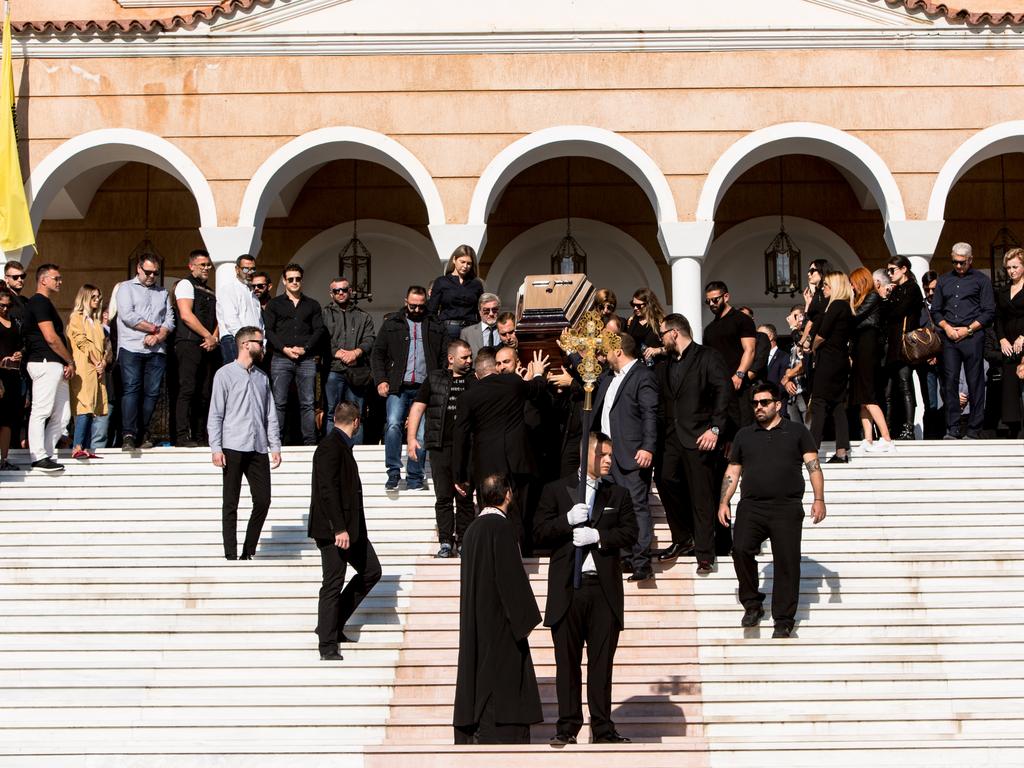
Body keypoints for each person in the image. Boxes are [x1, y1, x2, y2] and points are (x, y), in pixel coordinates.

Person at [533, 432, 637, 746]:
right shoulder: (555, 491)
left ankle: (603, 727)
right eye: (603, 454)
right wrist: (566, 521)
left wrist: (599, 537)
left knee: (602, 662)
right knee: (567, 663)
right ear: (586, 454)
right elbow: (538, 532)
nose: (609, 460)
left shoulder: (617, 495)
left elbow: (631, 532)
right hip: (568, 589)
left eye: (610, 454)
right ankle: (567, 726)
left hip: (603, 590)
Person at [718, 382, 827, 639]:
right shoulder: (744, 435)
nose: (758, 407)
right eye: (755, 403)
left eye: (764, 402)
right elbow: (733, 471)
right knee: (741, 549)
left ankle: (783, 619)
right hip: (752, 506)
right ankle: (752, 604)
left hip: (786, 507)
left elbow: (814, 466)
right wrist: (724, 501)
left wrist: (819, 499)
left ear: (778, 404)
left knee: (787, 562)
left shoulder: (798, 432)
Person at [453, 473, 543, 745]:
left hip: (478, 620)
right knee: (501, 682)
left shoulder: (471, 531)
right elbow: (510, 580)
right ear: (507, 495)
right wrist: (525, 617)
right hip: (500, 625)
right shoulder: (501, 528)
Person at [654, 313, 732, 573]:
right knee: (665, 480)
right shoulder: (664, 362)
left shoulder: (708, 356)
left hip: (700, 436)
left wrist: (715, 428)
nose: (660, 339)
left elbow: (724, 392)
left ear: (674, 332)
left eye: (662, 334)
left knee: (702, 495)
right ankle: (682, 537)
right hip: (671, 438)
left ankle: (705, 554)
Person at [453, 347, 549, 548]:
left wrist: (460, 475)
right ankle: (519, 556)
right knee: (518, 514)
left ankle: (495, 555)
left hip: (487, 467)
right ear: (495, 369)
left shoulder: (468, 397)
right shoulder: (513, 382)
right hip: (517, 461)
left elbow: (460, 437)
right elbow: (537, 389)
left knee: (490, 515)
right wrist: (538, 372)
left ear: (477, 375)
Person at [309, 401, 381, 660]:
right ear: (357, 422)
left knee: (372, 571)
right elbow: (327, 491)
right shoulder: (331, 446)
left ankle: (333, 623)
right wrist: (338, 528)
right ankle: (327, 643)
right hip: (334, 532)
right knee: (332, 583)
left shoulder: (341, 446)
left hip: (352, 530)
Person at [208, 325, 281, 561]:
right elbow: (216, 414)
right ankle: (230, 553)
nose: (263, 347)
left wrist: (275, 446)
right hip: (232, 445)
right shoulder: (224, 374)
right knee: (231, 501)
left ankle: (248, 550)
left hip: (258, 446)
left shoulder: (262, 377)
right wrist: (216, 447)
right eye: (259, 342)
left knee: (263, 500)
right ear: (245, 344)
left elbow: (270, 414)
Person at [591, 333, 657, 581]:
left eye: (606, 349)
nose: (603, 354)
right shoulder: (608, 378)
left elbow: (650, 414)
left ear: (617, 351)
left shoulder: (643, 376)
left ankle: (642, 562)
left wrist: (648, 447)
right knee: (613, 509)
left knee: (637, 506)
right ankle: (624, 557)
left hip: (632, 454)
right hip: (606, 456)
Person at [371, 285, 446, 491]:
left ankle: (414, 477)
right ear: (406, 302)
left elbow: (442, 357)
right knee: (394, 424)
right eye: (412, 306)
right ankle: (393, 473)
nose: (416, 310)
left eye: (421, 306)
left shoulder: (435, 324)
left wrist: (439, 383)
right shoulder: (392, 323)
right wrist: (381, 380)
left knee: (421, 434)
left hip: (425, 387)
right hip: (398, 386)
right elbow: (378, 353)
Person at [407, 339, 477, 558]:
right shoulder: (435, 378)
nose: (469, 361)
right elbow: (418, 407)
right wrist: (411, 439)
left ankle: (464, 540)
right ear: (451, 358)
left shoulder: (474, 379)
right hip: (439, 446)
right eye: (464, 357)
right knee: (444, 497)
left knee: (464, 496)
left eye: (470, 357)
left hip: (466, 448)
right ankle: (446, 541)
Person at [932, 242, 996, 440]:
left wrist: (968, 329)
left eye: (961, 262)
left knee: (975, 381)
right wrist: (948, 328)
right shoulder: (943, 281)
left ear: (970, 260)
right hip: (950, 337)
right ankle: (952, 428)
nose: (958, 266)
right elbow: (936, 310)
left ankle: (974, 429)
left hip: (972, 336)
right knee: (949, 381)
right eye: (954, 262)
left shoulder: (981, 280)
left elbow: (989, 311)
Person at [115, 255, 175, 451]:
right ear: (138, 269)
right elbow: (128, 316)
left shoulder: (163, 292)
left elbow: (170, 321)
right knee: (132, 389)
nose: (151, 276)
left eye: (155, 273)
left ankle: (143, 432)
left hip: (156, 350)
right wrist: (153, 330)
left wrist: (158, 337)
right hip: (131, 347)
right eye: (148, 272)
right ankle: (128, 435)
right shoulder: (125, 288)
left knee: (152, 393)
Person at [264, 263, 325, 446]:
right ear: (284, 281)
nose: (294, 282)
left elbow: (319, 330)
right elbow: (269, 330)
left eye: (297, 279)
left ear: (302, 280)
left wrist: (305, 348)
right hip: (281, 358)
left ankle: (310, 443)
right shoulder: (274, 304)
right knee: (279, 403)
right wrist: (284, 349)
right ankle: (276, 442)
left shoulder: (312, 304)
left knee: (307, 403)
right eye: (290, 279)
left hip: (305, 359)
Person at [23, 264, 73, 473]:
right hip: (44, 362)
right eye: (56, 278)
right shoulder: (39, 302)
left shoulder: (45, 303)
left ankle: (48, 453)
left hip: (56, 364)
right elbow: (51, 338)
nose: (60, 281)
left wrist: (65, 363)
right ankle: (38, 456)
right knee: (41, 410)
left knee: (63, 416)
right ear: (43, 280)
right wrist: (70, 360)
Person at [173, 248, 219, 447]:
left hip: (208, 345)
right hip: (189, 342)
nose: (207, 268)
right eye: (203, 265)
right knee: (188, 389)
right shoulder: (185, 284)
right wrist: (207, 335)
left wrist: (214, 338)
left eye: (208, 265)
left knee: (204, 392)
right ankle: (182, 436)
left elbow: (218, 318)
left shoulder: (210, 290)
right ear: (191, 266)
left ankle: (200, 437)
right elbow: (186, 314)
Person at [322, 276, 375, 445]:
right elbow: (320, 338)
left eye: (344, 290)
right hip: (333, 369)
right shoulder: (324, 314)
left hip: (356, 370)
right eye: (336, 291)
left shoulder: (363, 316)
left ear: (350, 291)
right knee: (332, 412)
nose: (340, 293)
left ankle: (356, 452)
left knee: (355, 412)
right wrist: (336, 352)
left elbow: (370, 339)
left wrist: (356, 352)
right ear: (331, 294)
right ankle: (333, 448)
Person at [808, 271, 854, 463]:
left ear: (834, 287)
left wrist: (812, 347)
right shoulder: (846, 307)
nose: (823, 289)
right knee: (837, 406)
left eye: (826, 285)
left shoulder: (836, 305)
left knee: (818, 403)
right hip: (841, 360)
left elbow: (821, 334)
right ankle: (842, 452)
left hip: (828, 360)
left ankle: (811, 451)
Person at [848, 267, 893, 454]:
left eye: (853, 283)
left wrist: (849, 300)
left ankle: (886, 437)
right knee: (861, 398)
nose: (851, 287)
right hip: (860, 350)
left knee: (869, 395)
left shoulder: (872, 297)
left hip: (869, 348)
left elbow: (855, 317)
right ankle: (868, 438)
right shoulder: (862, 300)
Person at [882, 256, 924, 441]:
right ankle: (889, 428)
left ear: (904, 269)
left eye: (893, 270)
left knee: (905, 385)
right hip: (892, 345)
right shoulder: (895, 290)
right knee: (889, 390)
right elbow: (886, 316)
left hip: (904, 344)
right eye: (888, 271)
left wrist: (889, 301)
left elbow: (897, 312)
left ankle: (908, 428)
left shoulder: (912, 288)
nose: (889, 274)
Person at [703, 282, 757, 426]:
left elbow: (750, 350)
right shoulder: (709, 329)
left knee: (743, 428)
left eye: (715, 299)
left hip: (738, 386)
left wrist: (739, 374)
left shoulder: (742, 319)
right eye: (708, 301)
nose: (712, 304)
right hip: (717, 388)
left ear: (726, 297)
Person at [66, 285, 109, 460]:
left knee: (92, 408)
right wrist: (96, 360)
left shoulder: (96, 321)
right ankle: (77, 446)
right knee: (84, 406)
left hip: (97, 370)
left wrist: (103, 362)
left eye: (98, 297)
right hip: (83, 368)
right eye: (93, 297)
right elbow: (81, 342)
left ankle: (86, 447)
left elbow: (105, 346)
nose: (97, 300)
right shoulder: (77, 318)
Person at [995, 248, 1024, 438]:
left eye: (1015, 267)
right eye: (1008, 268)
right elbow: (998, 318)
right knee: (1010, 388)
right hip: (1009, 345)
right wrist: (1002, 339)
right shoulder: (1003, 291)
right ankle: (1014, 429)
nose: (1012, 271)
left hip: (1023, 341)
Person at [427, 244, 484, 342]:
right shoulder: (441, 282)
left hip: (471, 329)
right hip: (448, 330)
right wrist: (438, 329)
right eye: (462, 262)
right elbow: (432, 310)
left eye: (469, 263)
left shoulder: (476, 284)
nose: (465, 266)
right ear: (454, 260)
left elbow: (480, 311)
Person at [215, 255, 263, 364]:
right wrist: (247, 341)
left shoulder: (254, 296)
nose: (250, 272)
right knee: (236, 379)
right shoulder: (229, 290)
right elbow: (231, 321)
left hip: (254, 343)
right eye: (246, 269)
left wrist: (261, 344)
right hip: (234, 341)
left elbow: (260, 323)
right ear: (237, 269)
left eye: (253, 269)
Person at [0, 288, 24, 471]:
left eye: (8, 305)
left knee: (8, 420)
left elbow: (22, 344)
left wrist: (19, 353)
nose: (5, 309)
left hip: (12, 376)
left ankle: (4, 459)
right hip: (0, 376)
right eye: (2, 305)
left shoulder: (14, 322)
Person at [780, 305, 808, 423]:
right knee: (796, 433)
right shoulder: (792, 344)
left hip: (805, 390)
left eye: (796, 316)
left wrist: (787, 376)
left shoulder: (806, 338)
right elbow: (789, 365)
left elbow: (804, 363)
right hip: (792, 394)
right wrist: (787, 381)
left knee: (810, 431)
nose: (793, 319)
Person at [626, 288, 665, 366]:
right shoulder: (631, 321)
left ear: (649, 304)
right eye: (633, 304)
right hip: (636, 369)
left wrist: (658, 350)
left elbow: (672, 347)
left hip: (656, 368)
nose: (635, 308)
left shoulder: (661, 322)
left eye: (639, 305)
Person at [460, 292, 502, 356]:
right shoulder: (467, 333)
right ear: (480, 312)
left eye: (494, 310)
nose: (491, 314)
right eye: (486, 311)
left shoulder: (505, 330)